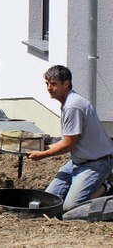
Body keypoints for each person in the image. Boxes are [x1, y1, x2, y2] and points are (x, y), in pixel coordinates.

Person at [28, 65, 113, 211]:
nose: (49, 88)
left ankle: (106, 185)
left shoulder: (73, 106)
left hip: (97, 163)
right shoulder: (68, 103)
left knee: (71, 208)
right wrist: (41, 148)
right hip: (78, 161)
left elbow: (68, 145)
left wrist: (41, 155)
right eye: (47, 84)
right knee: (49, 201)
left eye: (54, 84)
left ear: (66, 83)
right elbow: (66, 141)